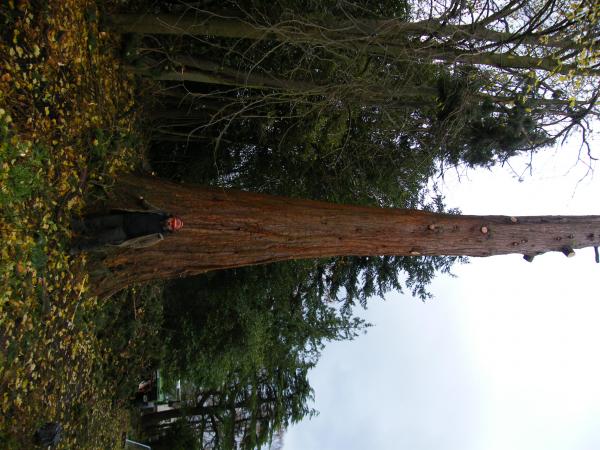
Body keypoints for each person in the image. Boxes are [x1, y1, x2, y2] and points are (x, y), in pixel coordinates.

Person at [71, 196, 183, 251]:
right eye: (172, 221)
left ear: (171, 230)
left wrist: (131, 245)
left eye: (172, 226)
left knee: (102, 238)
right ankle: (77, 226)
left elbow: (143, 244)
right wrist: (143, 201)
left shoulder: (159, 236)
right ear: (171, 217)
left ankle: (79, 247)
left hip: (124, 233)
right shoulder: (161, 213)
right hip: (124, 218)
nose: (170, 223)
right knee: (99, 222)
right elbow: (150, 208)